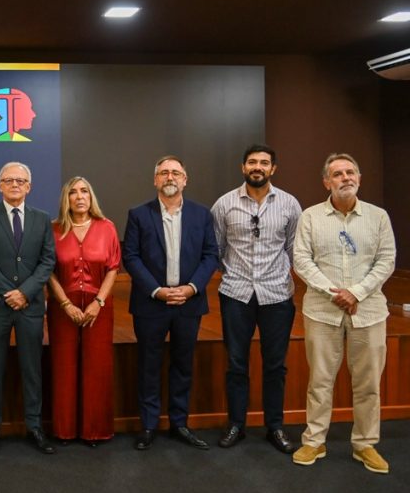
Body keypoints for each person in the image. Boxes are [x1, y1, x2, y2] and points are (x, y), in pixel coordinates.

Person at [292, 153, 396, 474]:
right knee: (320, 380)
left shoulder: (378, 217)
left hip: (369, 312)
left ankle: (365, 443)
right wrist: (335, 293)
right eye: (337, 174)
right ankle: (314, 440)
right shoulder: (310, 217)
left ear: (359, 179)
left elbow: (386, 260)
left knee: (368, 383)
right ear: (327, 182)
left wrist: (358, 292)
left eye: (351, 172)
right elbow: (301, 260)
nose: (345, 178)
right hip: (323, 312)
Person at [122, 155, 218, 451]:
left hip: (189, 303)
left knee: (182, 365)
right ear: (155, 180)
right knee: (148, 365)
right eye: (164, 173)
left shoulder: (202, 215)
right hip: (151, 304)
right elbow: (131, 257)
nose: (170, 177)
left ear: (185, 180)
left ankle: (179, 424)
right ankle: (149, 425)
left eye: (175, 173)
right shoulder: (139, 215)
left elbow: (210, 255)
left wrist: (191, 288)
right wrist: (156, 290)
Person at [211, 145, 302, 453]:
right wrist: (234, 275)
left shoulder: (289, 204)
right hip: (236, 294)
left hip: (277, 295)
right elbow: (217, 248)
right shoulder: (224, 204)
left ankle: (275, 426)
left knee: (275, 365)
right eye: (252, 162)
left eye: (264, 162)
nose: (258, 167)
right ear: (243, 167)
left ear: (273, 169)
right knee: (236, 363)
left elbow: (294, 248)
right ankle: (236, 424)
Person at [0, 161, 56, 455]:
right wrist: (8, 292)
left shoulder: (42, 219)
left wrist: (25, 292)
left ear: (29, 187)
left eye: (20, 181)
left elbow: (47, 260)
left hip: (30, 305)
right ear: (0, 185)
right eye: (9, 180)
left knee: (32, 369)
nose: (14, 185)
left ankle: (34, 427)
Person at [46, 176, 120, 447]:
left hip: (98, 306)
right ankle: (65, 430)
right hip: (62, 306)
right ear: (66, 199)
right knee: (63, 367)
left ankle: (94, 430)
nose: (79, 197)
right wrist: (65, 303)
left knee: (96, 367)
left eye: (84, 191)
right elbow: (48, 271)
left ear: (91, 197)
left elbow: (113, 268)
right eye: (73, 192)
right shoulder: (53, 229)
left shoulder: (107, 227)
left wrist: (98, 302)